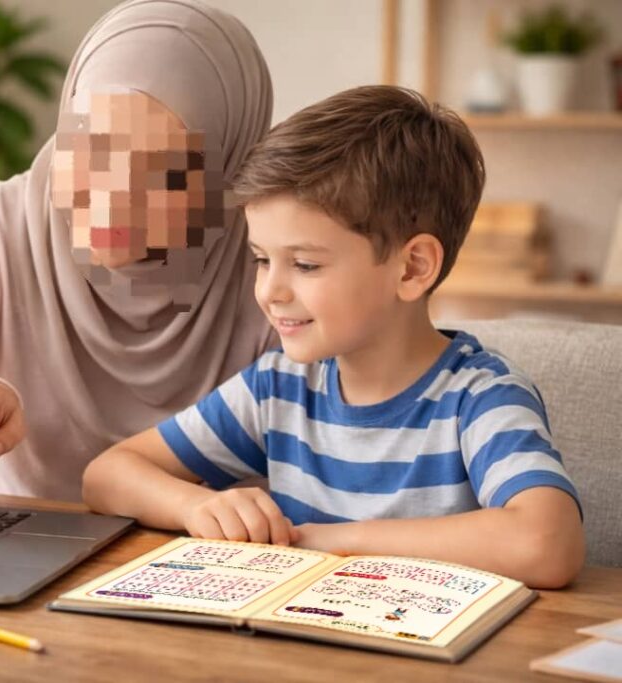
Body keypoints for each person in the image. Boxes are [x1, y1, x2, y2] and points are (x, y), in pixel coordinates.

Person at [81, 85, 585, 588]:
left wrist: (336, 542)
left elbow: (546, 544)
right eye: (262, 259)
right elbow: (106, 476)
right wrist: (196, 505)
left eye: (305, 264)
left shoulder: (481, 398)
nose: (270, 291)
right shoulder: (278, 388)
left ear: (412, 268)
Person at [0, 0, 275, 500]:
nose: (112, 198)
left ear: (225, 172)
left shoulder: (274, 259)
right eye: (90, 145)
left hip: (220, 545)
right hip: (21, 537)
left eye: (164, 171)